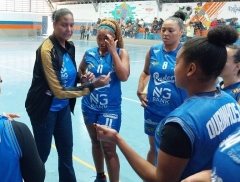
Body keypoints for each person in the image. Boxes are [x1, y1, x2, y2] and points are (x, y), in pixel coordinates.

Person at [95, 25, 240, 181]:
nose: (173, 68)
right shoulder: (229, 101)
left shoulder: (180, 124)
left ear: (190, 69)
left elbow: (161, 179)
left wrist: (117, 139)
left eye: (177, 63)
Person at [25, 8, 110, 182]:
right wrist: (92, 86)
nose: (69, 29)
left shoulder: (69, 45)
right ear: (54, 24)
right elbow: (58, 91)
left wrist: (82, 77)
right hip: (44, 109)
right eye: (64, 25)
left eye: (72, 25)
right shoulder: (46, 50)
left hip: (62, 109)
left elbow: (68, 74)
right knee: (41, 155)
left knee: (66, 152)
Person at [78, 18, 130, 182]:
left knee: (108, 147)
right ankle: (100, 176)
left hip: (110, 109)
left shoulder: (121, 53)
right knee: (95, 142)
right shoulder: (90, 53)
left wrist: (113, 51)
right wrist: (84, 77)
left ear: (114, 38)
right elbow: (80, 72)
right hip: (89, 106)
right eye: (99, 38)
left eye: (106, 39)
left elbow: (124, 76)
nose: (102, 42)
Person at [137, 11, 188, 166]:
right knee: (153, 148)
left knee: (173, 152)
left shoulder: (187, 53)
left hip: (177, 111)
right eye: (163, 30)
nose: (165, 33)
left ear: (181, 32)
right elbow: (146, 72)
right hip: (153, 108)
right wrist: (140, 90)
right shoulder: (153, 51)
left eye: (170, 30)